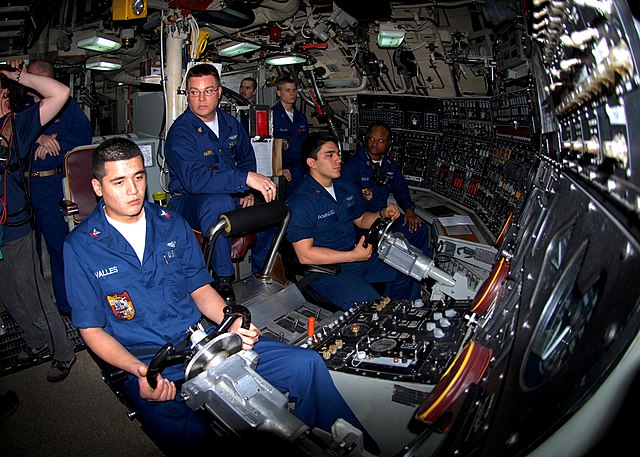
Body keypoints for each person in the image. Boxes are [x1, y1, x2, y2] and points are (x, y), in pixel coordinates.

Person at [63, 137, 378, 455]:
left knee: (306, 365)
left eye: (138, 177)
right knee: (195, 437)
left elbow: (200, 288)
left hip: (203, 341)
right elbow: (91, 329)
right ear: (98, 186)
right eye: (119, 181)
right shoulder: (81, 246)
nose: (132, 190)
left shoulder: (172, 224)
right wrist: (140, 372)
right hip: (147, 360)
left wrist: (230, 320)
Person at [165, 64, 276, 304]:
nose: (201, 98)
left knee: (268, 206)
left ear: (219, 92)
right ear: (187, 94)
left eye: (208, 91)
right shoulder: (181, 133)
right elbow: (195, 181)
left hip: (231, 192)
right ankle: (223, 278)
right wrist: (243, 180)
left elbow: (246, 157)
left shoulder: (230, 124)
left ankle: (262, 271)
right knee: (218, 204)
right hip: (187, 201)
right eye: (194, 92)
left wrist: (247, 190)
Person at [0, 60, 76, 382]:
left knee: (33, 292)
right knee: (9, 295)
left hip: (15, 225)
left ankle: (64, 351)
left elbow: (59, 93)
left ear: (4, 93)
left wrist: (18, 76)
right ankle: (34, 340)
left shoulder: (17, 125)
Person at [286, 132, 411, 311]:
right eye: (330, 155)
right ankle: (385, 314)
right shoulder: (301, 202)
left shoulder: (344, 188)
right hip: (327, 271)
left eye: (338, 154)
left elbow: (360, 219)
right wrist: (353, 256)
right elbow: (305, 255)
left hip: (356, 258)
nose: (338, 160)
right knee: (372, 308)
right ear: (312, 163)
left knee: (405, 267)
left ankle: (403, 313)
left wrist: (383, 213)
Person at [25, 59, 92, 315]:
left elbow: (83, 134)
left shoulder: (66, 106)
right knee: (26, 253)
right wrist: (36, 139)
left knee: (59, 247)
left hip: (52, 185)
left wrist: (56, 143)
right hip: (23, 186)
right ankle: (36, 309)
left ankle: (66, 306)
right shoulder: (18, 106)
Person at [341, 121, 431, 300]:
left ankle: (413, 293)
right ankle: (395, 294)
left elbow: (401, 190)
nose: (374, 144)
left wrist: (409, 210)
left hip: (386, 218)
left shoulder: (389, 167)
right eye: (371, 139)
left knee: (421, 231)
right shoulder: (352, 167)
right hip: (362, 223)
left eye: (380, 141)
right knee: (397, 245)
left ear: (388, 143)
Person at [270, 75, 309, 198]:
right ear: (279, 93)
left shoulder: (300, 117)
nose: (292, 94)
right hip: (281, 170)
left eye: (294, 90)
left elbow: (306, 145)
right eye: (287, 90)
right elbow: (267, 147)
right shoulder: (271, 115)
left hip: (299, 169)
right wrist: (277, 169)